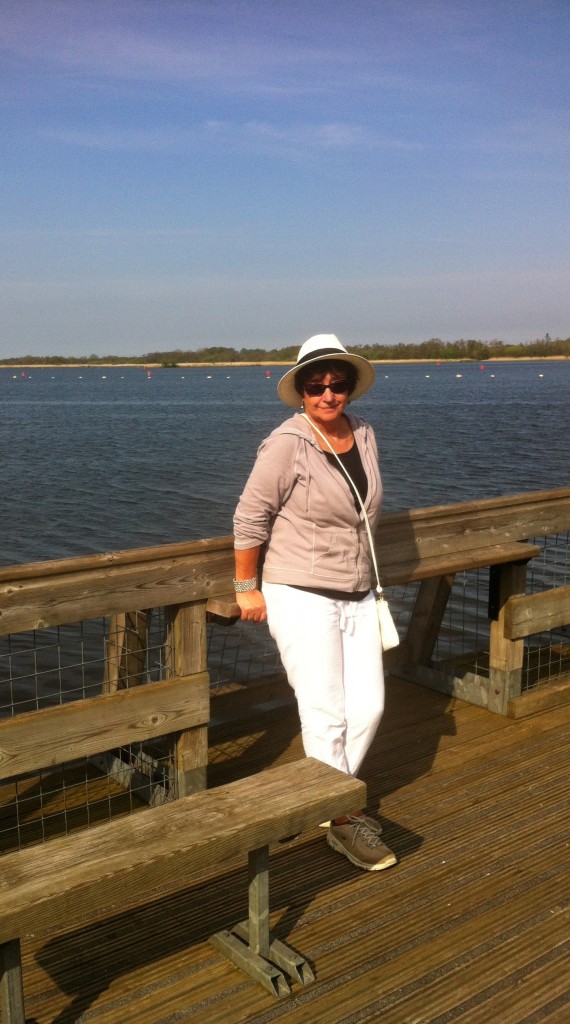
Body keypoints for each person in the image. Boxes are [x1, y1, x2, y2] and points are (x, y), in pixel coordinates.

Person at [233, 333, 396, 871]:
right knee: (325, 712)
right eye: (317, 386)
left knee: (368, 705)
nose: (328, 395)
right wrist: (245, 587)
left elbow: (364, 511)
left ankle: (321, 800)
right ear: (301, 391)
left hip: (356, 589)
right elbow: (249, 517)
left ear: (350, 388)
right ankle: (343, 821)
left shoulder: (363, 433)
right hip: (299, 591)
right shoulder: (287, 443)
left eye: (338, 385)